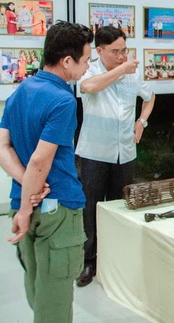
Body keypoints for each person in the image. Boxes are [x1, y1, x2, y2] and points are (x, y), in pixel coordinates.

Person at [0, 21, 93, 322]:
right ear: (67, 61)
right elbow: (41, 161)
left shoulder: (20, 91)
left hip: (27, 202)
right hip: (58, 209)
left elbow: (3, 146)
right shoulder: (63, 100)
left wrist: (24, 188)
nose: (87, 67)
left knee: (40, 290)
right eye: (86, 60)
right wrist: (28, 205)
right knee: (54, 303)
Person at [75, 26, 155, 287]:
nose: (122, 56)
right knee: (92, 209)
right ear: (100, 51)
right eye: (116, 52)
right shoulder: (89, 69)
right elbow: (87, 87)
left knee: (120, 207)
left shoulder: (133, 74)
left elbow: (150, 96)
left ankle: (116, 258)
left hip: (125, 152)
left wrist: (141, 121)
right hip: (94, 153)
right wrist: (121, 69)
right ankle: (89, 261)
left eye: (125, 51)